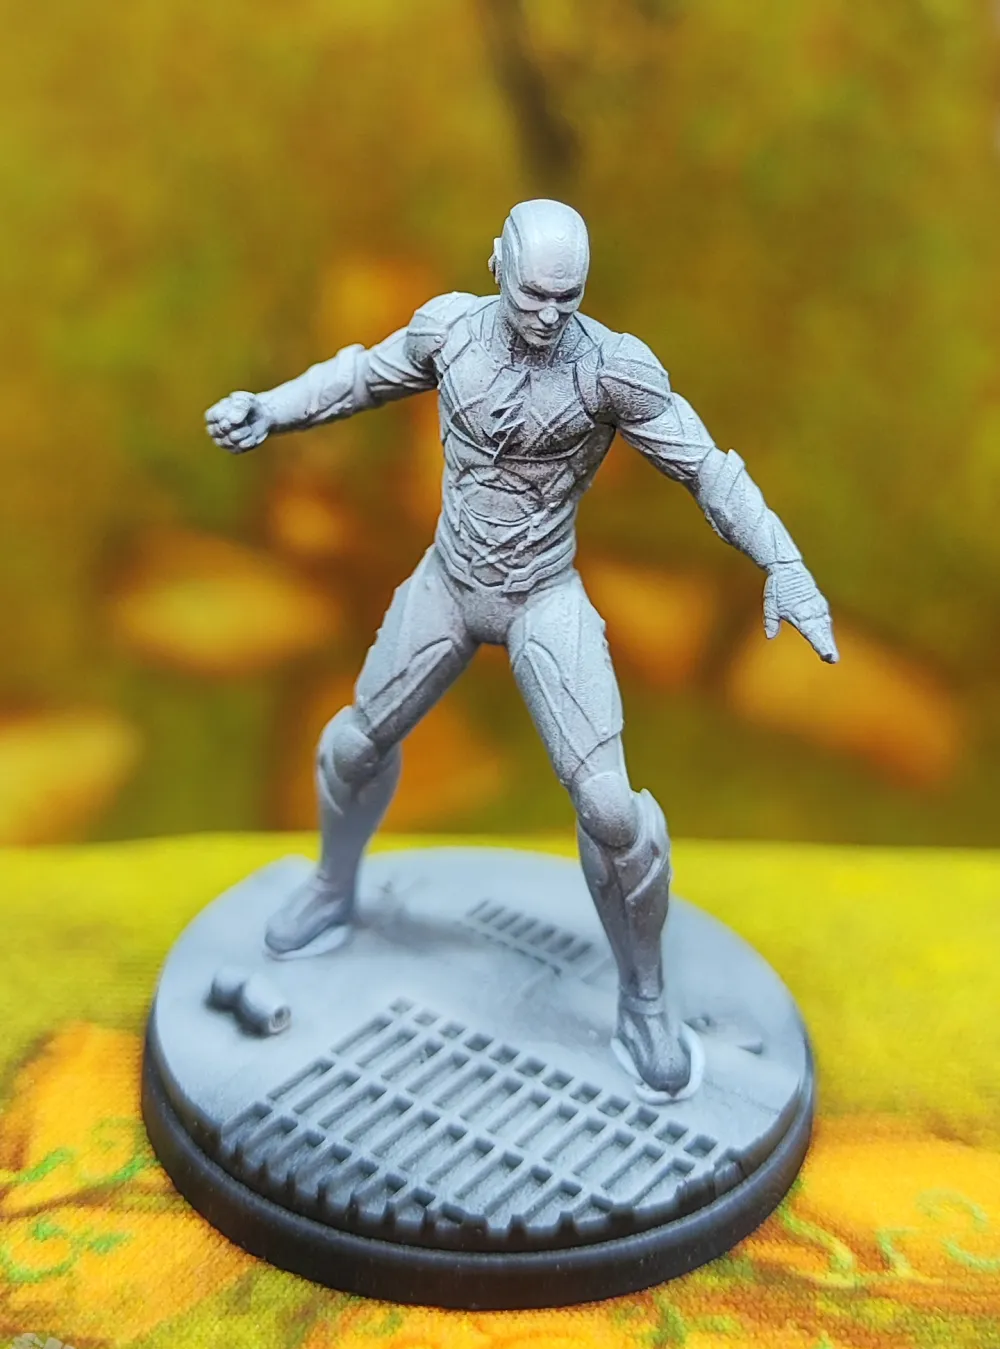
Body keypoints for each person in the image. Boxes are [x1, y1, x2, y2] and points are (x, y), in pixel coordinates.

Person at [205, 199, 837, 1096]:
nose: (548, 316)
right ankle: (333, 888)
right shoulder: (450, 332)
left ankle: (645, 1000)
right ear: (498, 264)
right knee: (353, 745)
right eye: (534, 294)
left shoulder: (611, 370)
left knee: (612, 811)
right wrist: (269, 409)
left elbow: (706, 466)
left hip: (544, 596)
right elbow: (359, 378)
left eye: (566, 299)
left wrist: (785, 563)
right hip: (450, 581)